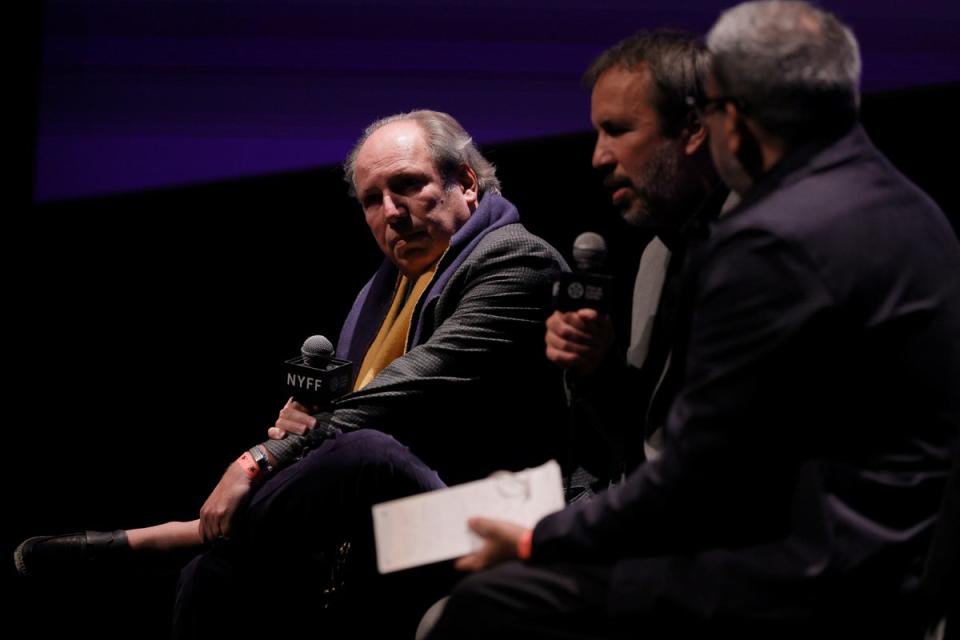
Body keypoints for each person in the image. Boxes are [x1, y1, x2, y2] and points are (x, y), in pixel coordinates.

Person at [426, 2, 960, 638]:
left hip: (811, 575)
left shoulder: (768, 240)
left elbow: (698, 482)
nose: (598, 156)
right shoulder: (918, 212)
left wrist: (537, 539)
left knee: (484, 607)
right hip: (892, 558)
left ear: (729, 118)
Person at [16, 110, 570, 637]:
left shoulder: (516, 259)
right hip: (399, 522)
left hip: (502, 511)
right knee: (212, 575)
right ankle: (193, 548)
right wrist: (307, 430)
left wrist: (262, 458)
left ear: (467, 183)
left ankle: (175, 538)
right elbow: (351, 413)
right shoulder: (386, 289)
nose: (390, 212)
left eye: (407, 184)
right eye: (371, 199)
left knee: (366, 452)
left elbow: (417, 383)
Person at [545, 30, 729, 493]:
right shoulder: (656, 254)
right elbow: (638, 439)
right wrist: (595, 366)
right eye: (597, 133)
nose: (598, 157)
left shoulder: (762, 248)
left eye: (618, 130)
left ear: (693, 128)